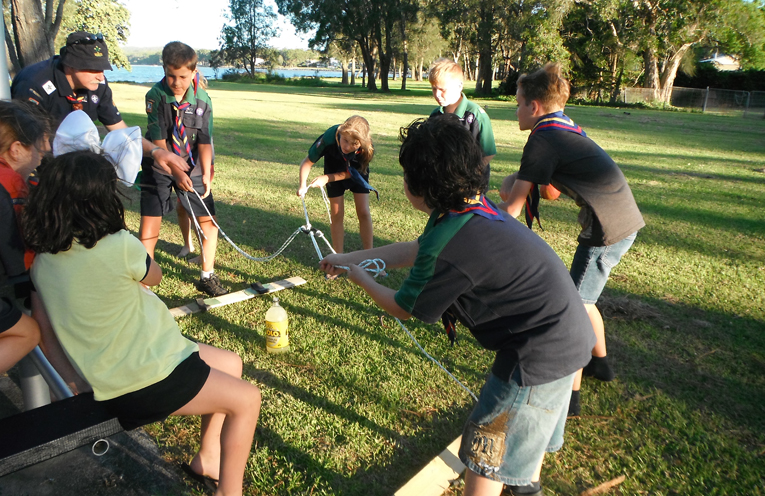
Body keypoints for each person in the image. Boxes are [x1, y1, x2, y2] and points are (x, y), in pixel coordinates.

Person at [320, 115, 595, 496]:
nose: (402, 183)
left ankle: (518, 484)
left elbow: (403, 307)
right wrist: (351, 258)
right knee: (519, 442)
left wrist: (359, 278)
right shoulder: (468, 209)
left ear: (423, 185)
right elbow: (415, 250)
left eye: (405, 176)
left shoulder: (453, 243)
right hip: (564, 334)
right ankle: (523, 480)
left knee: (484, 454)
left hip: (538, 352)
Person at [23, 150, 261, 496]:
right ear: (102, 201)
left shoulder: (42, 265)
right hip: (147, 377)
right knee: (248, 399)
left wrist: (73, 380)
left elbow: (43, 330)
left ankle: (207, 458)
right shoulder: (119, 244)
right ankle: (230, 492)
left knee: (231, 363)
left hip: (129, 366)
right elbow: (155, 277)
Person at [498, 63, 645, 416]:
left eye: (518, 103)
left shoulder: (542, 138)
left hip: (606, 228)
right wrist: (521, 178)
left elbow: (513, 212)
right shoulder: (564, 126)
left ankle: (571, 397)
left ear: (534, 106)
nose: (516, 110)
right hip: (622, 220)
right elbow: (551, 191)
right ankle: (601, 364)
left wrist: (482, 206)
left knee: (572, 310)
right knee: (585, 299)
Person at [11, 31, 190, 181]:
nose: (101, 76)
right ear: (70, 65)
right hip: (35, 162)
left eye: (102, 69)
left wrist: (157, 151)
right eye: (94, 69)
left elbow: (120, 130)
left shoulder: (99, 87)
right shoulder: (34, 83)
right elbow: (25, 143)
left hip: (74, 168)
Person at [138, 41, 228, 297]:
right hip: (159, 163)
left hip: (192, 163)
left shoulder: (202, 99)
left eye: (182, 77)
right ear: (163, 69)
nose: (176, 82)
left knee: (208, 223)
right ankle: (144, 286)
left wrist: (206, 171)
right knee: (149, 225)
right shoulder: (155, 96)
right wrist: (175, 173)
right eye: (170, 75)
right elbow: (158, 142)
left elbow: (205, 139)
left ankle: (207, 276)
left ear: (193, 71)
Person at [0, 101, 45, 375]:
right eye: (38, 149)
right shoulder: (12, 184)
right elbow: (22, 254)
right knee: (28, 332)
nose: (40, 158)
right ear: (17, 150)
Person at [297, 115, 375, 254]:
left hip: (356, 173)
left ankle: (369, 257)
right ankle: (338, 258)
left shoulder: (366, 147)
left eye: (354, 144)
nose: (347, 146)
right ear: (341, 131)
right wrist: (302, 185)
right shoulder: (329, 137)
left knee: (363, 212)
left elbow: (355, 173)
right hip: (333, 168)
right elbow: (307, 163)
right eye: (345, 140)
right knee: (337, 214)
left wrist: (327, 178)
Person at [428, 58, 496, 191]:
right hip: (442, 184)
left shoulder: (475, 115)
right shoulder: (435, 115)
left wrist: (468, 175)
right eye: (434, 89)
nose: (437, 94)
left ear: (459, 86)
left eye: (442, 89)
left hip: (471, 185)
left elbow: (488, 152)